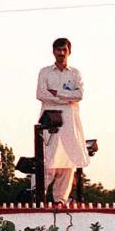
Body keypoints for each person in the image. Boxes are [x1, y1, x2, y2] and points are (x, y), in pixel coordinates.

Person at [36, 37, 88, 204]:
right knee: (48, 161)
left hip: (70, 123)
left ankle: (61, 201)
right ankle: (37, 198)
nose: (61, 53)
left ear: (69, 52)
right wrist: (67, 98)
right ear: (53, 51)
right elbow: (41, 94)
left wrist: (57, 93)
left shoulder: (75, 74)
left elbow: (79, 95)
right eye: (58, 50)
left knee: (68, 161)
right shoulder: (45, 72)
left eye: (64, 50)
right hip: (50, 122)